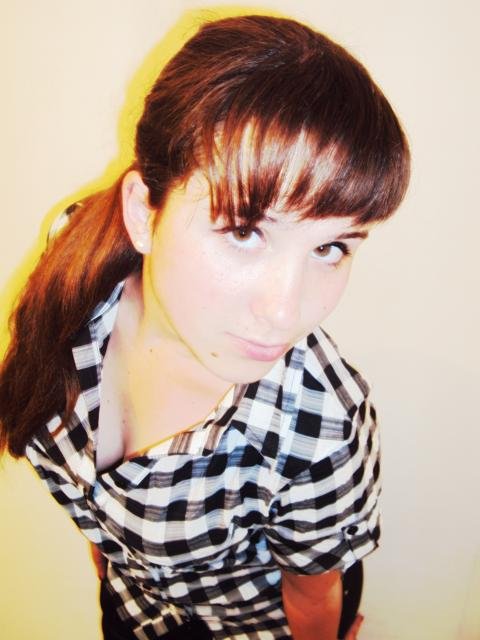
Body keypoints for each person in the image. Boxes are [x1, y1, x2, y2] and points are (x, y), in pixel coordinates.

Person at [0, 14, 409, 640]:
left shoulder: (318, 424)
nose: (286, 312)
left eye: (331, 248)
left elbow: (312, 597)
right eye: (245, 231)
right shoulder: (77, 264)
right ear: (144, 213)